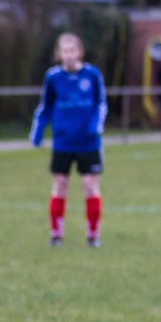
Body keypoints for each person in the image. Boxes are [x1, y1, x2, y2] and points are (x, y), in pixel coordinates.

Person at [31, 32, 107, 247]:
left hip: (88, 141)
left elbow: (101, 104)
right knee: (60, 183)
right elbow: (45, 107)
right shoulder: (53, 77)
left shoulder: (92, 74)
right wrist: (37, 132)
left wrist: (95, 126)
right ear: (59, 53)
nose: (69, 55)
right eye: (64, 51)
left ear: (79, 52)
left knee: (89, 184)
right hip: (63, 141)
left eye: (72, 50)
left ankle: (93, 234)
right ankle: (56, 233)